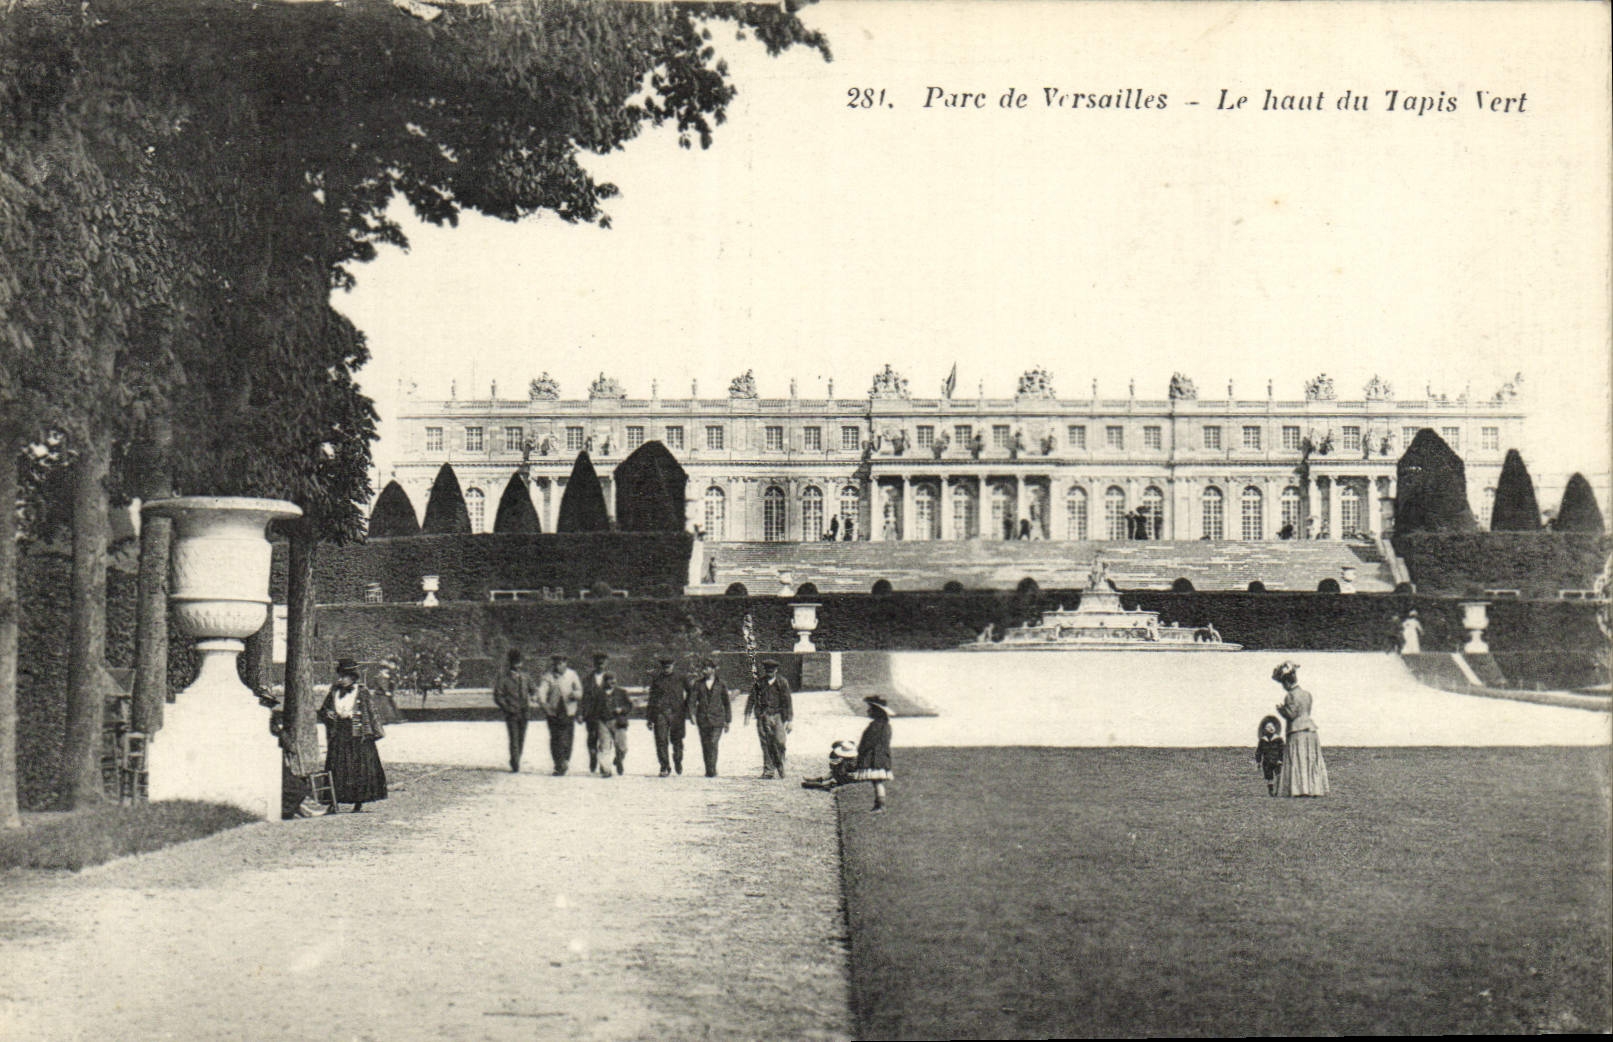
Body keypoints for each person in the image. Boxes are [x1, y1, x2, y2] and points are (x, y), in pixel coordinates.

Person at [317, 659, 387, 812]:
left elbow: (372, 713)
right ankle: (333, 802)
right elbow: (323, 711)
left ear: (352, 677)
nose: (340, 679)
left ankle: (359, 801)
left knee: (358, 768)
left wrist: (372, 732)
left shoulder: (361, 691)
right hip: (339, 731)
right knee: (337, 766)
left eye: (344, 677)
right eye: (340, 676)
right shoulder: (334, 691)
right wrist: (328, 714)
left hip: (358, 734)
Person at [1272, 661, 1329, 797]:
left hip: (1297, 731)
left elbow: (1292, 714)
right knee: (1309, 759)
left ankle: (1299, 789)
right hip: (1310, 730)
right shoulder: (1307, 694)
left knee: (1298, 759)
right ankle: (1313, 788)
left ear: (1286, 683)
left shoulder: (1290, 695)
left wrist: (1281, 710)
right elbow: (1306, 711)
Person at [744, 658, 793, 779]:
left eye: (772, 670)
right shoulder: (759, 683)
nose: (769, 672)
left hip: (778, 716)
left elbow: (788, 702)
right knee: (766, 744)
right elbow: (751, 698)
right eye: (767, 670)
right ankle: (768, 771)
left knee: (780, 742)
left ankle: (779, 763)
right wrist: (747, 714)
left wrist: (790, 720)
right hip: (763, 716)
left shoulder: (782, 683)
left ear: (776, 670)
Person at [537, 653, 582, 775]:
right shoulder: (548, 676)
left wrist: (575, 694)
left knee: (568, 737)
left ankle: (566, 760)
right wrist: (544, 704)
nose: (558, 666)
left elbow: (579, 690)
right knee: (556, 738)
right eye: (556, 663)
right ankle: (558, 763)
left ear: (565, 663)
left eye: (561, 663)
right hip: (554, 712)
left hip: (569, 711)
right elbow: (541, 692)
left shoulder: (572, 674)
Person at [686, 657, 732, 777]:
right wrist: (691, 714)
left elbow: (726, 703)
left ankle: (712, 768)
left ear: (713, 669)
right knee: (705, 744)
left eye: (706, 668)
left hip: (717, 719)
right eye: (703, 668)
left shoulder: (721, 684)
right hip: (703, 719)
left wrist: (728, 721)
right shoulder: (698, 684)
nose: (704, 671)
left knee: (713, 742)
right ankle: (709, 768)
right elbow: (692, 700)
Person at [492, 648, 536, 773]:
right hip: (512, 712)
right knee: (514, 738)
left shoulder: (526, 677)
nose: (518, 665)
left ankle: (516, 758)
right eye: (515, 662)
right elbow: (498, 696)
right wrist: (507, 707)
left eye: (519, 662)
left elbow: (533, 690)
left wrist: (533, 696)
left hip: (525, 712)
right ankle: (515, 762)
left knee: (521, 737)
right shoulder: (503, 678)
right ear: (511, 663)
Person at [581, 672, 632, 777]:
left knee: (622, 747)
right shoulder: (598, 694)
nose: (612, 682)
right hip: (602, 722)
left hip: (618, 722)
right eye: (609, 680)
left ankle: (618, 760)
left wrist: (622, 709)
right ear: (604, 681)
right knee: (604, 747)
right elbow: (591, 708)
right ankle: (606, 770)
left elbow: (629, 706)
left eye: (614, 679)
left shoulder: (621, 692)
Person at [645, 654, 688, 777]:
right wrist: (649, 718)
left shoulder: (681, 677)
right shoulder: (657, 679)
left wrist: (686, 707)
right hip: (660, 713)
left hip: (677, 713)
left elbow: (691, 693)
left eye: (669, 666)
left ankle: (678, 760)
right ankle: (664, 766)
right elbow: (652, 698)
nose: (666, 668)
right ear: (662, 667)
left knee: (677, 740)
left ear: (673, 665)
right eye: (664, 667)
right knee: (661, 740)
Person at [852, 695, 894, 811]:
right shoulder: (886, 725)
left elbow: (868, 741)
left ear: (876, 712)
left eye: (870, 709)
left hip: (875, 757)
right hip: (881, 756)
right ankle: (879, 804)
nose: (868, 711)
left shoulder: (875, 726)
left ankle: (881, 805)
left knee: (877, 781)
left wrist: (861, 751)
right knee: (877, 782)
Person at [581, 653, 611, 773]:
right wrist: (581, 713)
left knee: (606, 740)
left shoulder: (611, 678)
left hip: (606, 714)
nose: (600, 665)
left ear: (606, 663)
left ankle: (604, 766)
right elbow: (583, 698)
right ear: (594, 664)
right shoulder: (587, 679)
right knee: (592, 738)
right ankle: (593, 756)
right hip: (591, 714)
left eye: (603, 662)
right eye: (598, 663)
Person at [1254, 714, 1285, 796]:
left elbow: (1282, 750)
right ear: (1265, 729)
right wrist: (1258, 761)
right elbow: (1259, 751)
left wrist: (1280, 760)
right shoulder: (1263, 740)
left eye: (1272, 727)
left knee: (1278, 775)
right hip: (1267, 761)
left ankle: (1278, 791)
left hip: (1276, 761)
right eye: (1268, 727)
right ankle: (1271, 790)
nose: (1271, 728)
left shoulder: (1278, 739)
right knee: (1269, 777)